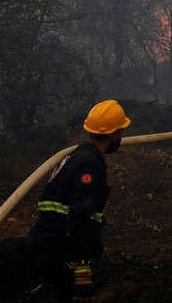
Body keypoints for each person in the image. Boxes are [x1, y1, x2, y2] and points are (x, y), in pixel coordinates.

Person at [24, 99, 131, 303]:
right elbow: (81, 215)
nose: (121, 138)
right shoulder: (90, 165)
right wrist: (82, 268)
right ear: (113, 134)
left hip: (49, 245)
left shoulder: (77, 157)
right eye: (121, 132)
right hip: (60, 253)